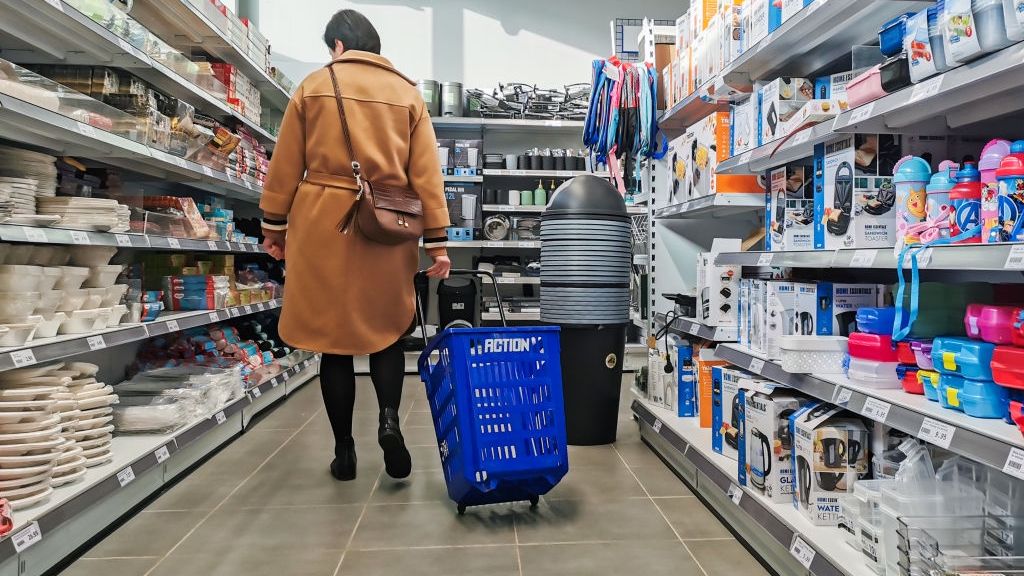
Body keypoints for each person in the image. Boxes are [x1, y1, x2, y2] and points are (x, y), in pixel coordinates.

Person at [259, 9, 451, 482]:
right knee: (386, 331)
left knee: (334, 342)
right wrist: (438, 243)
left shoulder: (313, 86)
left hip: (322, 223)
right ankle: (389, 421)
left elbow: (286, 165)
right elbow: (427, 176)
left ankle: (344, 451)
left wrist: (274, 227)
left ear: (339, 46)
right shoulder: (407, 94)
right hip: (387, 222)